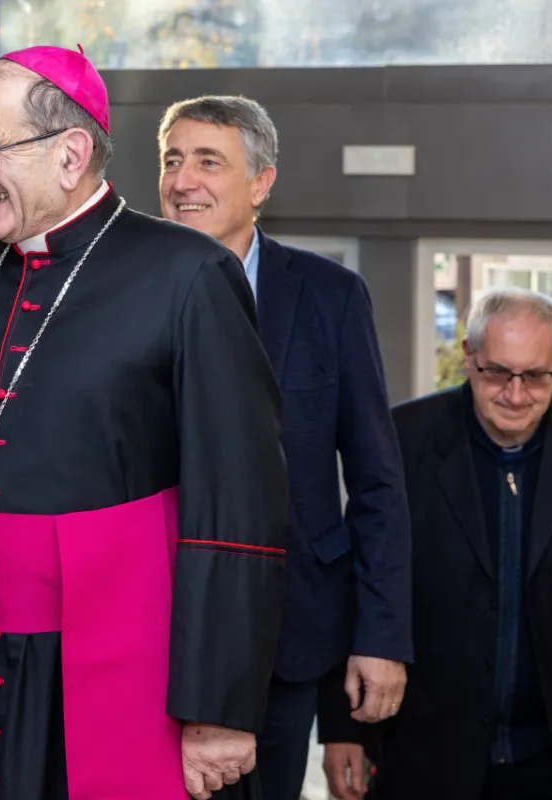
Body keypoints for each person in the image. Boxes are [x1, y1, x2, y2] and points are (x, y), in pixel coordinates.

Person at [0, 45, 289, 800]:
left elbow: (239, 506)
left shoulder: (188, 276)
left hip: (118, 666)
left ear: (70, 155)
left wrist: (220, 711)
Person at [156, 94, 412, 800]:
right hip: (150, 626)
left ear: (261, 182)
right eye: (172, 161)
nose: (183, 181)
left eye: (210, 161)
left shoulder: (331, 298)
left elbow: (377, 482)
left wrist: (382, 637)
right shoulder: (124, 289)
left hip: (290, 631)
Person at [320, 287, 552, 800]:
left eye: (536, 376)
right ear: (468, 356)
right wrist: (342, 727)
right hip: (427, 748)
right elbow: (356, 583)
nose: (516, 393)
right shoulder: (402, 439)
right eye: (497, 373)